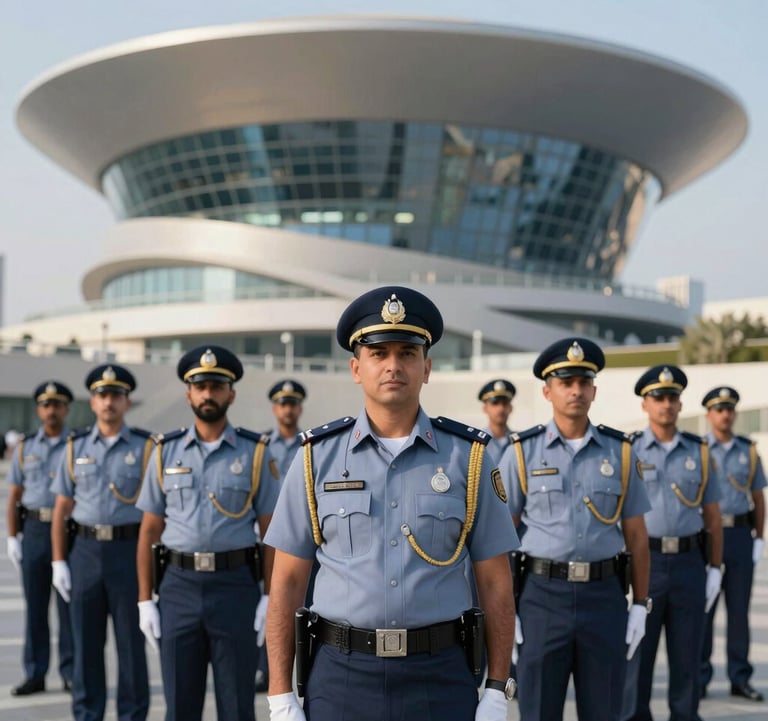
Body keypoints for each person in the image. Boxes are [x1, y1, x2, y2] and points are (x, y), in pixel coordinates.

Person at [265, 286, 520, 721]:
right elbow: (286, 582)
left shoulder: (469, 458)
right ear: (356, 367)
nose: (393, 366)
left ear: (427, 368)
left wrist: (497, 689)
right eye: (378, 353)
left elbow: (496, 582)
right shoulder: (314, 459)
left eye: (407, 353)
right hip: (342, 674)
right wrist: (279, 695)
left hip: (438, 674)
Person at [498, 337, 651, 721]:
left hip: (605, 597)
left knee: (604, 710)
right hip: (542, 597)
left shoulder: (621, 452)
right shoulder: (522, 451)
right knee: (538, 710)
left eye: (584, 382)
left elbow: (636, 535)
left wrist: (641, 606)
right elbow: (497, 538)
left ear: (594, 390)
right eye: (566, 383)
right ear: (548, 391)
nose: (576, 391)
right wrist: (506, 611)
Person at [135, 345, 280, 721]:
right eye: (200, 387)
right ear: (189, 394)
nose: (208, 394)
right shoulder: (165, 452)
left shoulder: (254, 453)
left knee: (236, 705)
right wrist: (144, 600)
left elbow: (270, 533)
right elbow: (150, 529)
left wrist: (269, 597)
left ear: (230, 394)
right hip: (178, 586)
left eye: (217, 386)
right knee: (180, 704)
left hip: (235, 587)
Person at [50, 364, 152, 721]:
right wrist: (59, 561)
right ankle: (87, 713)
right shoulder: (75, 447)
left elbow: (156, 514)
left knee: (130, 644)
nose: (108, 402)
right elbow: (62, 509)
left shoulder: (145, 447)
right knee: (86, 644)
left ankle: (133, 714)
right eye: (102, 395)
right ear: (92, 402)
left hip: (129, 551)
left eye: (116, 396)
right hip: (87, 553)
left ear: (127, 402)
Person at [623, 365, 723, 721]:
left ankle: (686, 715)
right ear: (645, 405)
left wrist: (714, 566)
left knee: (687, 654)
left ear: (680, 405)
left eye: (672, 397)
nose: (665, 404)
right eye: (657, 397)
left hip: (688, 563)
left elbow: (712, 516)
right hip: (644, 561)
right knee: (638, 653)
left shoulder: (700, 451)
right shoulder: (628, 450)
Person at [5, 381, 75, 695]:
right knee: (35, 606)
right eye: (46, 405)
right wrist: (12, 536)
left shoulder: (77, 445)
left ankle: (71, 672)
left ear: (66, 409)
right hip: (34, 529)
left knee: (69, 607)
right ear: (39, 410)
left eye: (57, 405)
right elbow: (14, 496)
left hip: (70, 533)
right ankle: (35, 672)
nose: (51, 411)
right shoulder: (25, 447)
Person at [698, 386, 765, 701]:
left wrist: (759, 538)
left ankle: (740, 678)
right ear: (709, 414)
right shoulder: (698, 449)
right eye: (718, 409)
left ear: (734, 413)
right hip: (707, 536)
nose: (725, 414)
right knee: (703, 611)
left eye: (729, 408)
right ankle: (699, 677)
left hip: (738, 535)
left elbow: (758, 498)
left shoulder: (747, 451)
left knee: (738, 611)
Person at [256, 379, 308, 692]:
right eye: (282, 403)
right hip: (272, 538)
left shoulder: (310, 444)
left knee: (305, 608)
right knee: (272, 605)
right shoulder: (263, 446)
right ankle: (267, 670)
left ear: (299, 408)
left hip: (304, 539)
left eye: (292, 403)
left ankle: (306, 666)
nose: (287, 409)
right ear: (275, 408)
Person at [478, 379, 516, 463]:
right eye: (495, 403)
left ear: (511, 408)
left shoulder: (520, 441)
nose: (501, 409)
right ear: (485, 408)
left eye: (505, 403)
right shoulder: (476, 443)